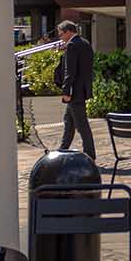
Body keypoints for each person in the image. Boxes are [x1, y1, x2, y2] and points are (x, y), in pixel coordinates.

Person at [54, 19, 96, 160]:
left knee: (82, 125)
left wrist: (66, 92)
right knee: (69, 122)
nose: (60, 37)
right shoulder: (85, 43)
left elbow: (70, 72)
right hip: (82, 89)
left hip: (74, 92)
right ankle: (62, 150)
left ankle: (90, 155)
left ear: (68, 32)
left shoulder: (72, 45)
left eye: (61, 34)